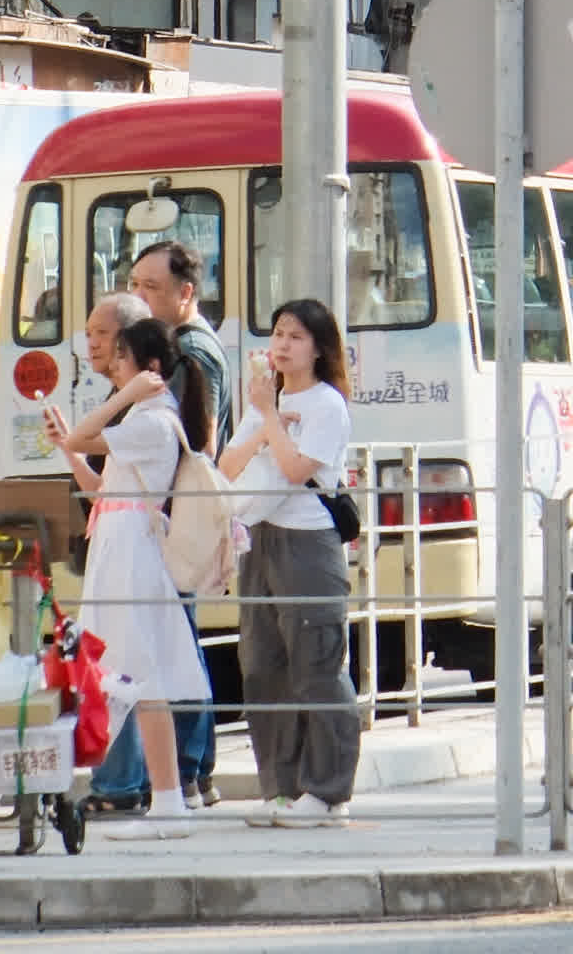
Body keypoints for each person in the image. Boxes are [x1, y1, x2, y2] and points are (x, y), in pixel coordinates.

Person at [46, 301, 212, 839]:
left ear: (146, 369)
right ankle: (161, 798)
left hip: (132, 551)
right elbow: (99, 483)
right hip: (120, 541)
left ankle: (164, 800)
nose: (113, 367)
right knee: (136, 674)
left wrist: (128, 395)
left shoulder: (153, 419)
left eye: (121, 359)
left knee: (141, 672)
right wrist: (67, 447)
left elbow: (85, 439)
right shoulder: (145, 419)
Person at [87, 239, 228, 810]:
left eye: (151, 287)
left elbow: (202, 443)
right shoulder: (179, 352)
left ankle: (169, 778)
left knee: (154, 659)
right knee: (163, 656)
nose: (139, 295)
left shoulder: (189, 357)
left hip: (156, 533)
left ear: (185, 292)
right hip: (152, 528)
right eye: (136, 284)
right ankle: (177, 781)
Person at [218, 296, 360, 826]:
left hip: (308, 541)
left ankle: (327, 792)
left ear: (320, 349)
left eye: (296, 336)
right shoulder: (262, 398)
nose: (282, 344)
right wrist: (263, 418)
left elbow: (297, 468)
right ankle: (279, 788)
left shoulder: (326, 404)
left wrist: (272, 419)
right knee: (263, 666)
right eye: (278, 333)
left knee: (317, 665)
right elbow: (226, 466)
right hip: (258, 537)